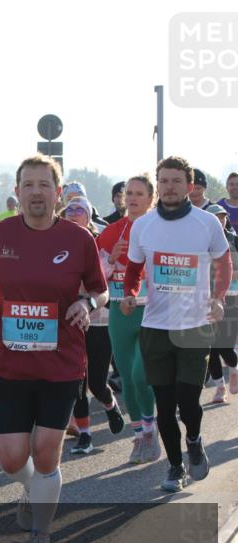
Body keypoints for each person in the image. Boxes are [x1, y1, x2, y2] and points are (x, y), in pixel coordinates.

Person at [0, 155, 108, 543]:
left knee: (47, 451)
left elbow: (100, 291)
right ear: (17, 192)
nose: (35, 192)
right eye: (28, 184)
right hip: (11, 363)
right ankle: (33, 489)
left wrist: (86, 303)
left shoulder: (79, 238)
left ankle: (42, 538)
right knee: (12, 458)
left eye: (43, 184)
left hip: (61, 362)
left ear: (57, 192)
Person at [121, 156, 232, 493]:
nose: (170, 187)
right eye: (164, 181)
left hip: (195, 325)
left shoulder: (206, 223)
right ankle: (173, 467)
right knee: (165, 407)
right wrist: (129, 294)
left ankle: (195, 441)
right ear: (159, 185)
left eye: (176, 181)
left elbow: (224, 262)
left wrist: (219, 297)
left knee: (189, 404)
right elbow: (133, 271)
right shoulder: (144, 225)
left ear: (190, 185)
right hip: (155, 327)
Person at [96, 174, 160, 463]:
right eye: (128, 193)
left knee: (139, 374)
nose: (132, 198)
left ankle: (152, 427)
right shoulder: (111, 232)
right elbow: (94, 277)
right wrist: (111, 259)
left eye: (139, 193)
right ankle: (139, 435)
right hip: (120, 311)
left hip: (151, 311)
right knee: (128, 379)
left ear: (151, 198)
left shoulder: (160, 229)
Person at [60, 197, 125, 454]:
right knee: (76, 382)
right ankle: (85, 435)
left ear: (89, 218)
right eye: (69, 210)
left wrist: (111, 260)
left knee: (97, 383)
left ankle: (110, 406)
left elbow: (103, 282)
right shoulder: (54, 245)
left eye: (80, 210)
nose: (74, 213)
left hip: (98, 321)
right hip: (69, 323)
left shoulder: (99, 247)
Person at [204, 203, 238, 401]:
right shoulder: (201, 243)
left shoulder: (234, 239)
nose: (220, 220)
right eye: (216, 217)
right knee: (210, 346)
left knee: (223, 343)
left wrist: (228, 273)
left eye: (223, 217)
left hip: (232, 297)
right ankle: (219, 388)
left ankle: (234, 369)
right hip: (206, 297)